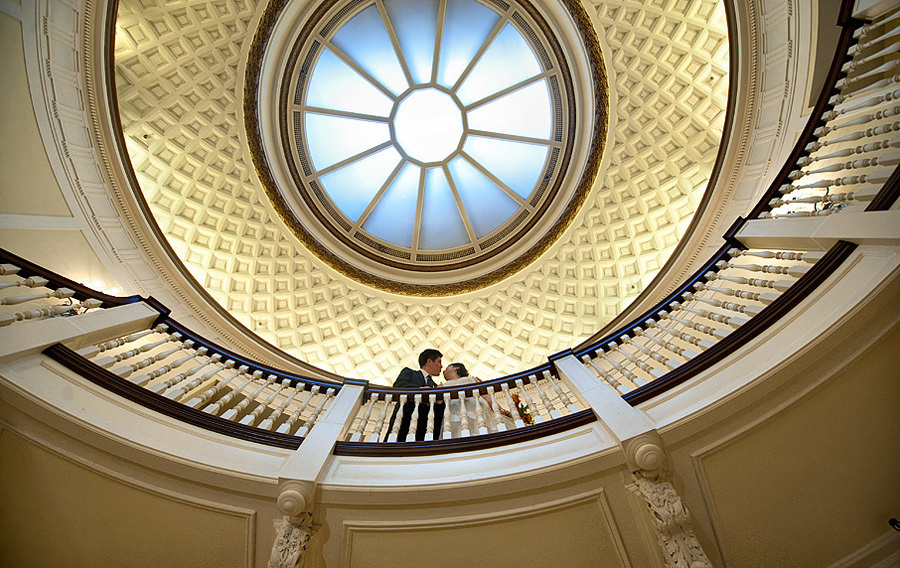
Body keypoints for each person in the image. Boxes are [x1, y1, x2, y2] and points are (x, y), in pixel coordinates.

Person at [385, 348, 445, 441]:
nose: (441, 366)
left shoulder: (435, 386)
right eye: (439, 362)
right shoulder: (409, 372)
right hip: (404, 423)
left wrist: (440, 402)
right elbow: (399, 385)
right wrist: (420, 389)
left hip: (424, 431)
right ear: (429, 361)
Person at [440, 362, 514, 437]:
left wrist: (500, 410)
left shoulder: (472, 380)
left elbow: (488, 398)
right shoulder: (442, 385)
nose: (443, 371)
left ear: (456, 368)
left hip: (476, 413)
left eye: (446, 368)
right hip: (454, 417)